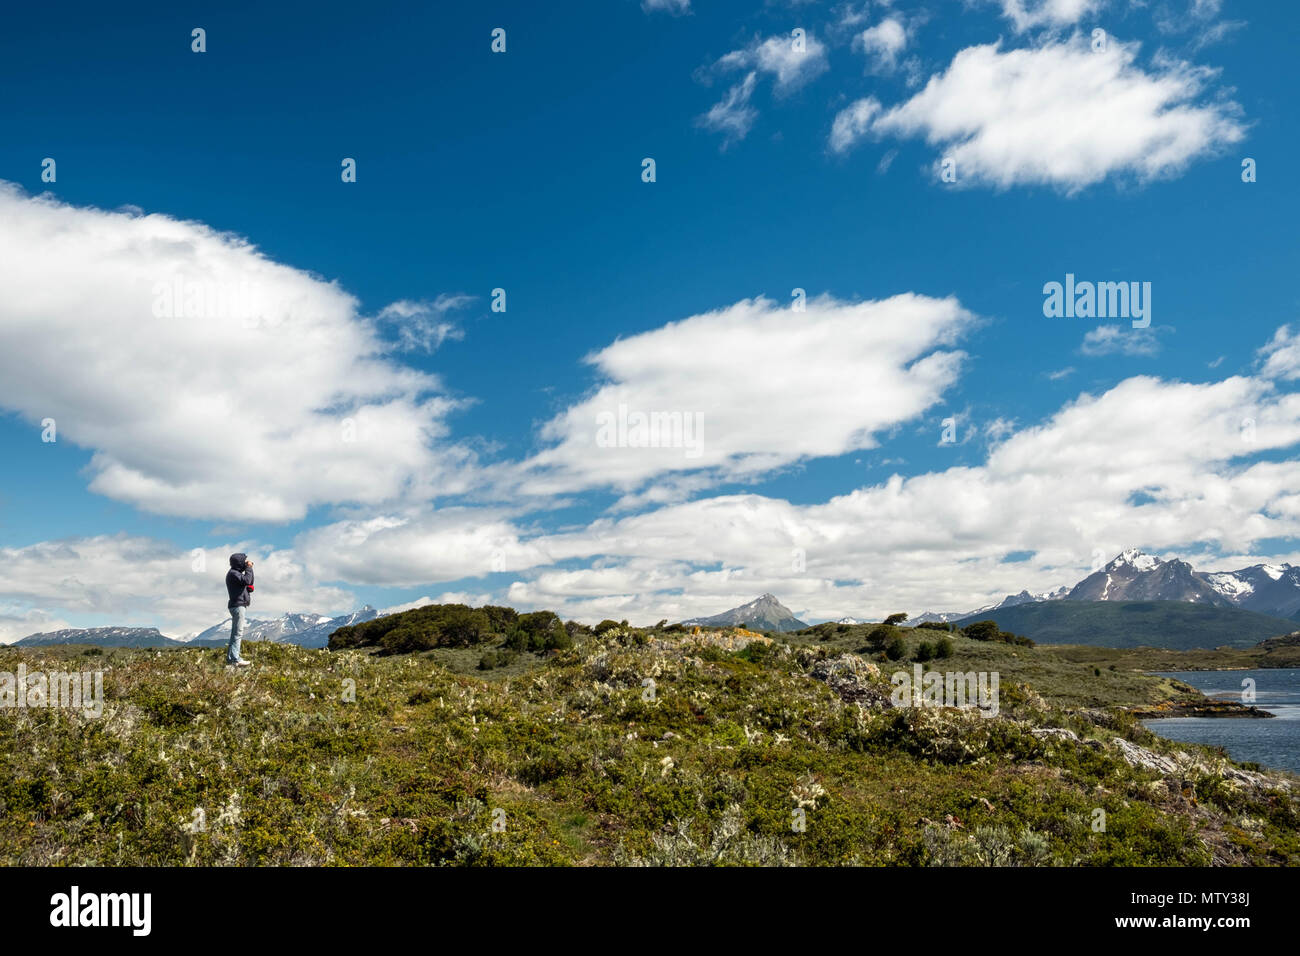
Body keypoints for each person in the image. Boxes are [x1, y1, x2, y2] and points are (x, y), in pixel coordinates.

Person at [225, 553, 255, 667]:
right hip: (238, 606)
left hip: (237, 605)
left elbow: (249, 581)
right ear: (239, 562)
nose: (245, 563)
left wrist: (249, 570)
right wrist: (249, 568)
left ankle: (232, 658)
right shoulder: (233, 574)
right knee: (237, 633)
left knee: (235, 633)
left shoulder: (235, 573)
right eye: (243, 561)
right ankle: (234, 659)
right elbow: (247, 580)